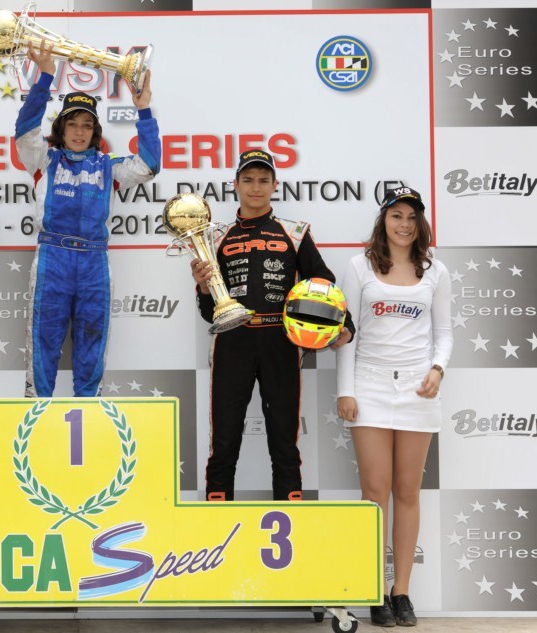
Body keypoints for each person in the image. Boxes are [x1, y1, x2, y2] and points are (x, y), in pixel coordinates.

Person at [190, 149, 354, 502]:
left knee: (284, 440)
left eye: (263, 180)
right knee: (224, 441)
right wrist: (203, 287)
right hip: (232, 342)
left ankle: (290, 515)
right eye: (248, 180)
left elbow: (323, 284)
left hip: (281, 343)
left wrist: (344, 326)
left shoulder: (294, 233)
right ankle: (216, 520)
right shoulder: (215, 237)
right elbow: (208, 312)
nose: (256, 187)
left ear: (275, 185)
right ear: (235, 185)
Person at [16, 42, 161, 397]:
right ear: (61, 128)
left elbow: (149, 165)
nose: (79, 132)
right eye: (72, 124)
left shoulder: (109, 167)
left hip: (94, 260)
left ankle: (90, 410)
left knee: (92, 344)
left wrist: (143, 110)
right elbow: (25, 129)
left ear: (95, 132)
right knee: (43, 341)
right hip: (53, 258)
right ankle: (37, 409)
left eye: (86, 125)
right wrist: (45, 77)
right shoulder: (44, 159)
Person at [336, 186, 452, 627]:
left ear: (420, 223)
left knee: (407, 491)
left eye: (411, 217)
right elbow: (348, 334)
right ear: (383, 220)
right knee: (374, 491)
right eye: (396, 215)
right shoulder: (358, 266)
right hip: (369, 387)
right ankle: (373, 589)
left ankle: (401, 592)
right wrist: (346, 390)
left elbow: (444, 333)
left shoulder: (435, 270)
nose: (404, 224)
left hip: (419, 391)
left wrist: (438, 369)